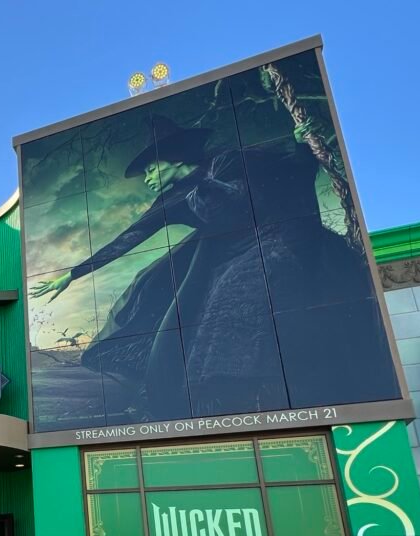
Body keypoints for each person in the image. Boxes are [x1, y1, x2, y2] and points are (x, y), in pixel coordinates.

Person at [30, 114, 379, 417]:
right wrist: (72, 274)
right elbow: (128, 238)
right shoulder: (170, 200)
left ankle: (256, 393)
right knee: (191, 305)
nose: (148, 178)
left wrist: (301, 144)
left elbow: (282, 168)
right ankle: (211, 400)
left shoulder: (226, 161)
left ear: (173, 158)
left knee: (236, 298)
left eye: (151, 169)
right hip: (229, 254)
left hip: (277, 236)